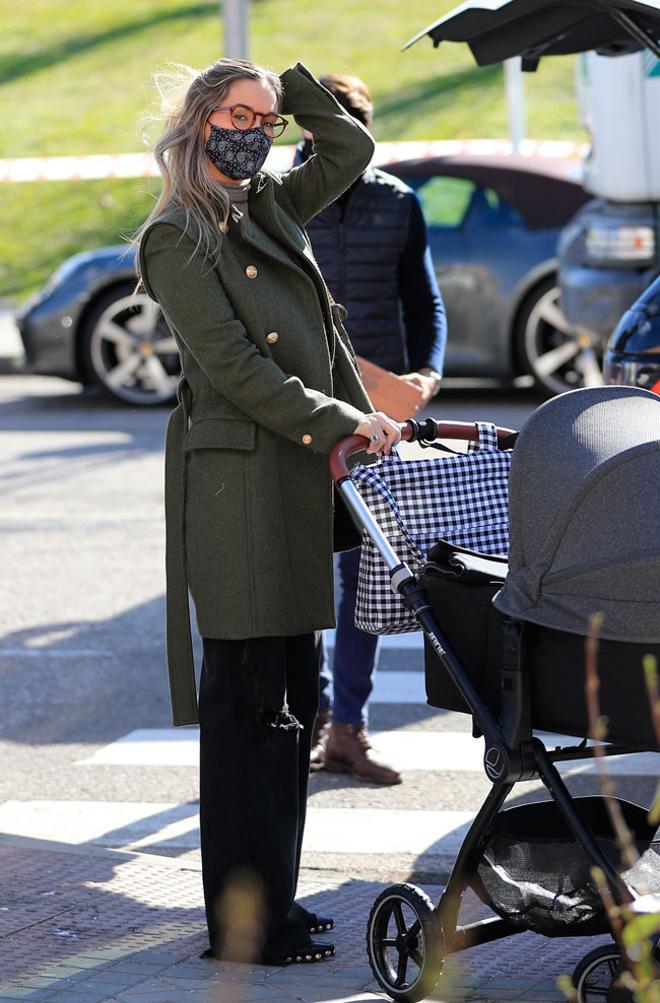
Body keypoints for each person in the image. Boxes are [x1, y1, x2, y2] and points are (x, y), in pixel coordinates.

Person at [135, 59, 401, 967]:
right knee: (250, 719)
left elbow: (353, 145)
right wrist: (346, 420)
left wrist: (295, 88)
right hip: (240, 492)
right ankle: (242, 926)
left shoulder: (269, 203)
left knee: (292, 710)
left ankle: (277, 906)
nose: (252, 129)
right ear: (200, 119)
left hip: (291, 488)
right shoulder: (177, 234)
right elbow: (239, 368)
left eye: (265, 117)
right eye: (236, 113)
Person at [297, 74, 447, 786]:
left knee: (366, 573)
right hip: (297, 411)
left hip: (379, 415)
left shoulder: (397, 201)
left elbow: (426, 302)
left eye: (357, 127)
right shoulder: (276, 203)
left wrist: (427, 376)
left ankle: (348, 729)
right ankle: (306, 718)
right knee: (297, 570)